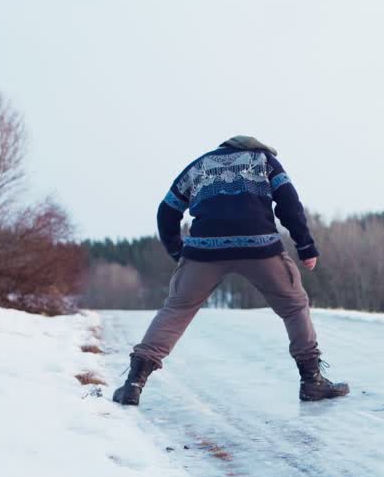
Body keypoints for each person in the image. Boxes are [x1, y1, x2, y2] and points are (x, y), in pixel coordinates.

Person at [112, 136, 349, 405]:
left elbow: (167, 210)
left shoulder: (197, 166)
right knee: (294, 306)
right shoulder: (264, 160)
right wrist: (305, 246)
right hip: (260, 247)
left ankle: (133, 384)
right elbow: (289, 204)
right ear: (253, 147)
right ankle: (312, 381)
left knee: (176, 310)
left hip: (204, 252)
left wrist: (179, 252)